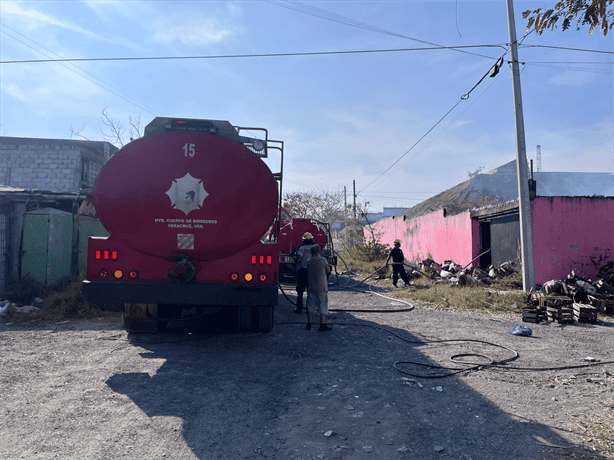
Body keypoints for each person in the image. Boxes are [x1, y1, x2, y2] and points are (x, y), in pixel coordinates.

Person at [305, 244, 332, 331]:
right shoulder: (322, 259)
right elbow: (328, 270)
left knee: (310, 305)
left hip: (311, 286)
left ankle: (309, 324)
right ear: (319, 251)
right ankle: (322, 325)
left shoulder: (309, 261)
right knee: (322, 305)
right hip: (321, 286)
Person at [294, 232, 316, 314]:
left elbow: (299, 258)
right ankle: (309, 309)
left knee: (300, 290)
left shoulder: (302, 248)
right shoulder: (314, 248)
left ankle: (299, 308)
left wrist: (296, 267)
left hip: (303, 271)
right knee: (310, 291)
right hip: (312, 271)